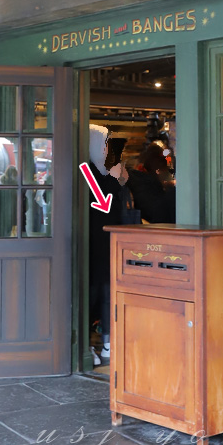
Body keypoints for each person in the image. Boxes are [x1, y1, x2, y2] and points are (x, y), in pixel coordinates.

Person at [88, 124, 128, 365]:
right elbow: (102, 203)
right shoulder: (86, 170)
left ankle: (107, 343)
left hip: (104, 243)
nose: (106, 150)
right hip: (94, 244)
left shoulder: (98, 170)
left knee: (105, 292)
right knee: (93, 293)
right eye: (103, 144)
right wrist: (115, 180)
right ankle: (91, 346)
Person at [127, 143, 176, 224]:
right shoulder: (149, 188)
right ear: (158, 167)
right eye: (165, 169)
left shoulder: (135, 180)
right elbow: (159, 216)